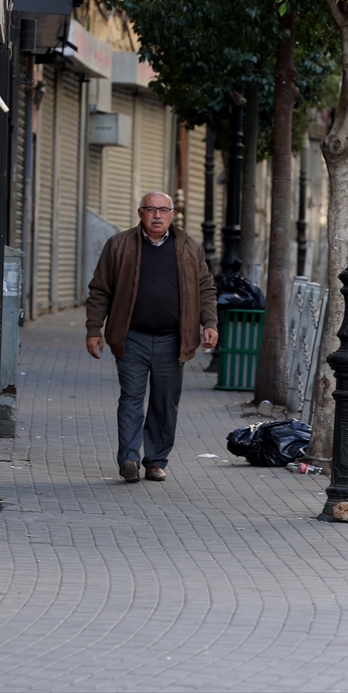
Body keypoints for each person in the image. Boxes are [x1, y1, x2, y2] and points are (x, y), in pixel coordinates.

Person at [85, 191, 218, 483]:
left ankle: (156, 461)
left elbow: (205, 288)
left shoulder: (189, 247)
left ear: (172, 214)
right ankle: (129, 459)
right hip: (132, 337)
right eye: (150, 209)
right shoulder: (119, 245)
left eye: (163, 210)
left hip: (173, 340)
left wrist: (210, 322)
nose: (157, 215)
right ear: (140, 213)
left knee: (164, 402)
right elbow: (100, 290)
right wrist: (94, 329)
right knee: (131, 398)